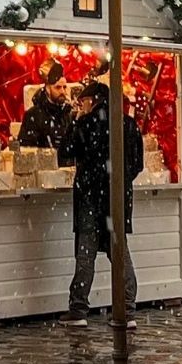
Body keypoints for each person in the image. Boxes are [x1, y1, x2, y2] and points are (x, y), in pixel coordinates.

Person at [58, 71, 140, 320]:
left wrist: (75, 122)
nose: (79, 104)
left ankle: (79, 308)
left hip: (90, 198)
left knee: (86, 253)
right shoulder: (128, 124)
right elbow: (137, 164)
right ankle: (127, 307)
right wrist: (119, 181)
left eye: (82, 101)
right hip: (116, 198)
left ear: (91, 100)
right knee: (120, 253)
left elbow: (65, 154)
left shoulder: (85, 124)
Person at [15, 72, 72, 150]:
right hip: (43, 160)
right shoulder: (34, 115)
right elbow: (26, 149)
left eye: (64, 87)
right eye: (58, 87)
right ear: (48, 89)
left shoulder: (67, 114)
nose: (62, 91)